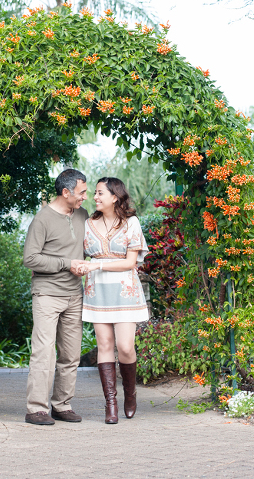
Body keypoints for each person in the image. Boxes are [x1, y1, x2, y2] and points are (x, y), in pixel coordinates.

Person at [74, 177, 149, 424]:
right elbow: (80, 256)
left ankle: (130, 394)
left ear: (115, 197)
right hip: (97, 293)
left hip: (125, 291)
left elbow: (130, 263)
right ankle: (111, 404)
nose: (95, 197)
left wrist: (96, 264)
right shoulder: (87, 224)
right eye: (94, 193)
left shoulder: (131, 223)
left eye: (99, 193)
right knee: (104, 345)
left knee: (126, 347)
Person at [22, 168, 89, 425]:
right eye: (82, 192)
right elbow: (30, 258)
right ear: (65, 192)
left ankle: (62, 405)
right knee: (44, 352)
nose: (85, 196)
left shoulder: (82, 215)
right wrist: (67, 263)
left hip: (75, 294)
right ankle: (36, 408)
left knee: (71, 355)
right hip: (47, 294)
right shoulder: (43, 219)